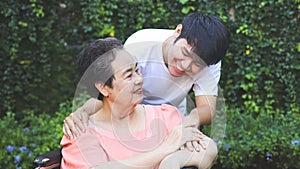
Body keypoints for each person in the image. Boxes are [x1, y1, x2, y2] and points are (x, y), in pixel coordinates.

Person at [44, 38, 218, 169]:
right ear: (103, 87)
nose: (139, 79)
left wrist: (173, 160)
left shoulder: (165, 117)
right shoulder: (82, 128)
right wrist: (164, 150)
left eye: (137, 70)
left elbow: (208, 151)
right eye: (129, 75)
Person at [63, 12, 230, 140]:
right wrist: (84, 110)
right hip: (131, 113)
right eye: (185, 53)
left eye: (197, 64)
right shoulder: (139, 44)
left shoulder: (210, 60)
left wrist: (192, 119)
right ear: (178, 31)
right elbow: (112, 94)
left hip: (172, 119)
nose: (185, 66)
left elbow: (207, 109)